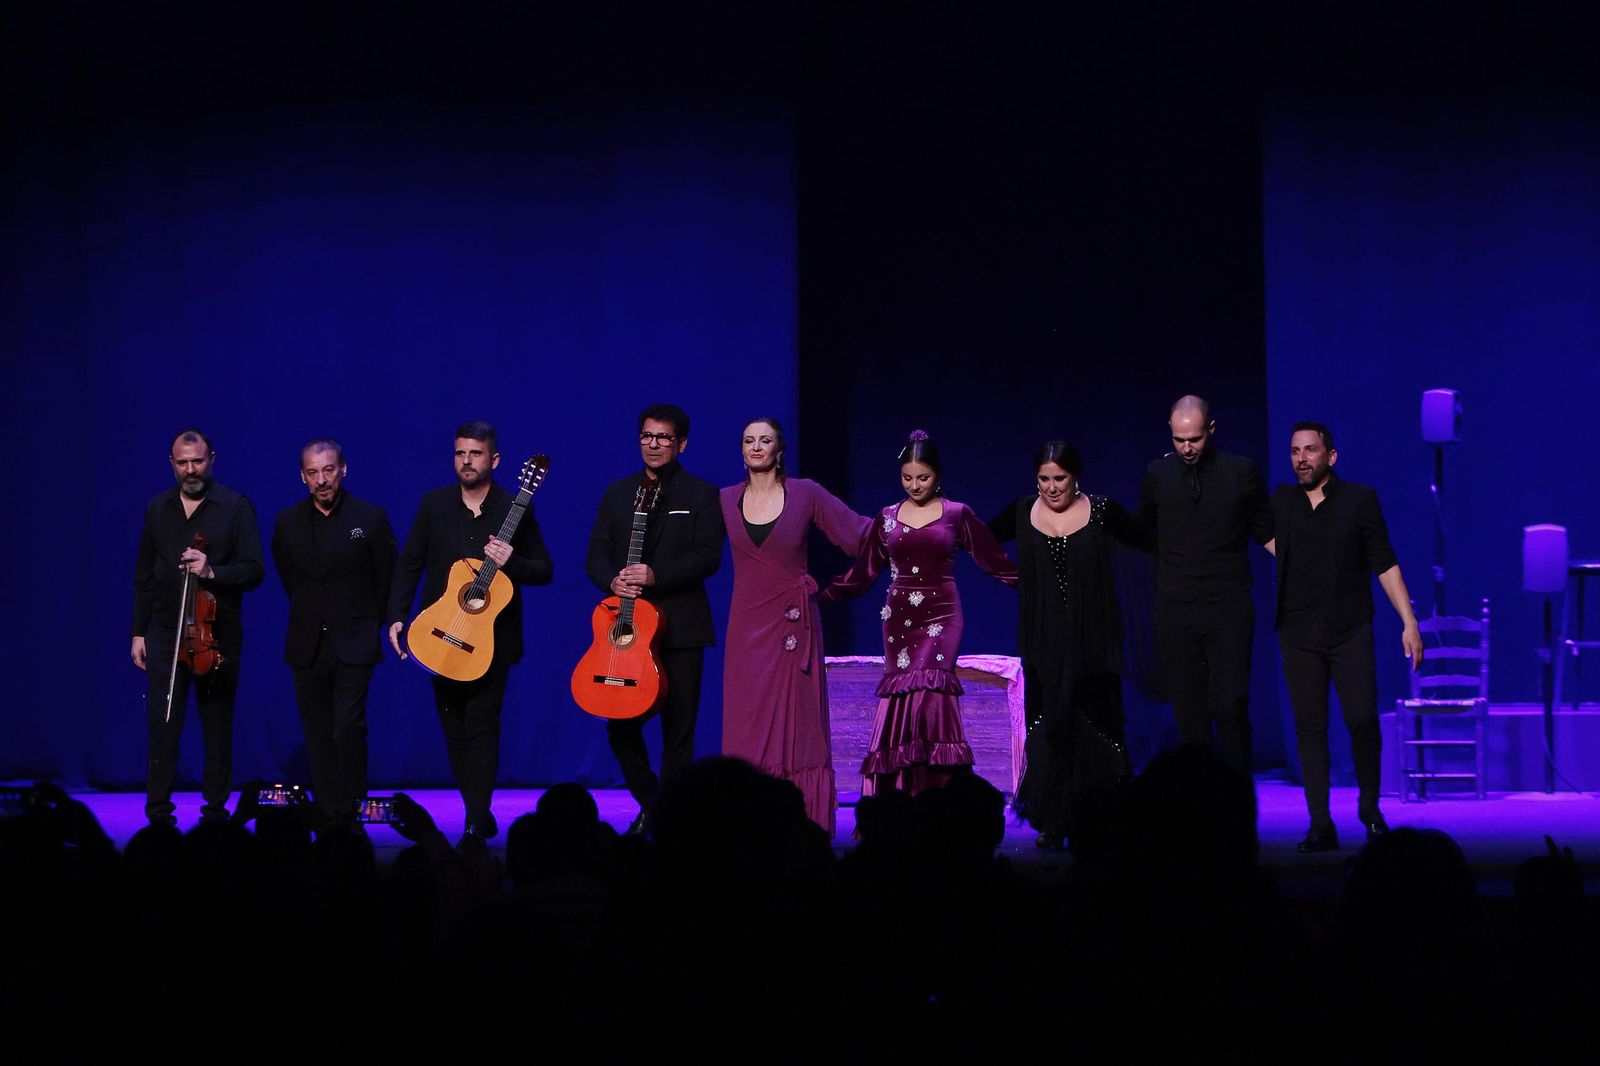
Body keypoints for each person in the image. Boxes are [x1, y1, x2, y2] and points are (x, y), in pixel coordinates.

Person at [820, 430, 1017, 796]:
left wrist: (1032, 584)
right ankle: (899, 792)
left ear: (938, 476)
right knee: (901, 697)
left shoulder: (957, 514)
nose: (915, 485)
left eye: (923, 478)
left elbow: (993, 559)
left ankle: (939, 792)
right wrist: (824, 595)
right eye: (907, 478)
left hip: (942, 614)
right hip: (898, 619)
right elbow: (865, 570)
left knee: (931, 693)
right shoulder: (887, 517)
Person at [387, 421, 553, 840]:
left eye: (475, 453)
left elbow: (545, 571)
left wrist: (512, 559)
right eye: (460, 452)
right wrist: (397, 616)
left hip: (493, 642)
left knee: (482, 724)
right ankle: (476, 806)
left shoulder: (515, 508)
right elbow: (410, 563)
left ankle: (476, 819)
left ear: (494, 460)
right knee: (453, 729)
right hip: (440, 635)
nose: (466, 460)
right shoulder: (434, 505)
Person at [1272, 421, 1423, 851]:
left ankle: (1370, 810)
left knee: (1360, 719)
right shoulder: (1282, 503)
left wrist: (1408, 622)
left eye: (1311, 450)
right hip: (1298, 632)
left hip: (1349, 629)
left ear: (1330, 457)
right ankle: (1320, 824)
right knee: (1310, 728)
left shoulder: (1359, 501)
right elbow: (1260, 535)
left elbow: (1384, 562)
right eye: (1295, 451)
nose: (1301, 458)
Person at [989, 441, 1146, 848]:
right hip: (1044, 641)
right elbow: (980, 542)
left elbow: (1149, 542)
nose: (1052, 487)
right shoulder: (1024, 511)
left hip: (1094, 639)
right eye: (1044, 478)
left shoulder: (1103, 510)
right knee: (1049, 722)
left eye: (1060, 478)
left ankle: (1105, 818)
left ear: (1077, 477)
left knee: (1098, 719)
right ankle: (1054, 817)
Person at [720, 417, 868, 834]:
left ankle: (801, 821)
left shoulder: (805, 493)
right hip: (746, 629)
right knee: (746, 720)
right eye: (748, 440)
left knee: (798, 724)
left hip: (793, 624)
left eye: (764, 440)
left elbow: (858, 534)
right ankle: (745, 816)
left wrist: (910, 528)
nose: (756, 446)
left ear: (779, 449)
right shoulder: (725, 500)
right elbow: (691, 550)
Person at [585, 403, 724, 835]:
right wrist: (614, 580)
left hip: (682, 628)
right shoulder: (616, 493)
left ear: (681, 443)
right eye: (647, 436)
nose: (654, 444)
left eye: (664, 437)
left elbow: (708, 557)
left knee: (678, 732)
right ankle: (655, 804)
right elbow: (595, 556)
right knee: (620, 728)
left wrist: (656, 575)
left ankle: (670, 826)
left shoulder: (701, 494)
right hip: (628, 632)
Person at [1131, 395, 1274, 772]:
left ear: (1210, 430)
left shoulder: (1240, 471)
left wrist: (1307, 564)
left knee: (1229, 706)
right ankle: (1200, 809)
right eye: (1179, 440)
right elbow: (1141, 534)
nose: (1187, 448)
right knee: (1189, 712)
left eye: (1194, 439)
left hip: (1227, 604)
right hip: (1176, 607)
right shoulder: (1157, 475)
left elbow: (1266, 532)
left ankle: (1239, 802)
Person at [131, 428, 264, 827]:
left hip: (215, 637)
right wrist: (139, 632)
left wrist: (212, 570)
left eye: (198, 461)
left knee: (217, 727)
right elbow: (144, 576)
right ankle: (158, 813)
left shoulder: (235, 507)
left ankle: (215, 812)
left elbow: (254, 570)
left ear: (212, 460)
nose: (191, 469)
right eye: (183, 462)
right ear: (171, 463)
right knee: (163, 726)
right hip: (164, 633)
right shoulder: (158, 508)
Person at [271, 439, 398, 833]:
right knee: (318, 732)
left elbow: (387, 578)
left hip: (355, 639)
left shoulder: (370, 517)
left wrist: (366, 620)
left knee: (348, 726)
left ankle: (353, 807)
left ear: (343, 469)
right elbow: (289, 577)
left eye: (329, 470)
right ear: (302, 477)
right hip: (307, 642)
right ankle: (329, 813)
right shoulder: (287, 522)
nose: (322, 479)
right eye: (313, 472)